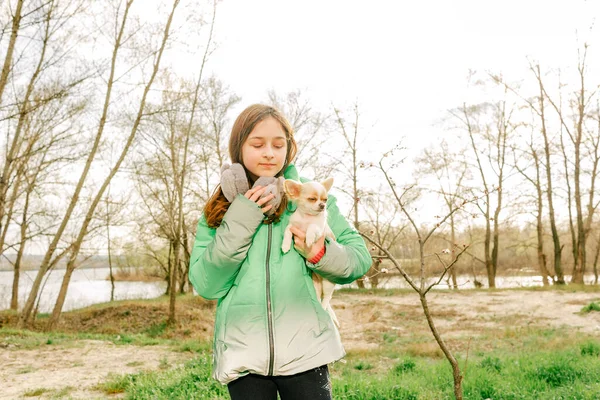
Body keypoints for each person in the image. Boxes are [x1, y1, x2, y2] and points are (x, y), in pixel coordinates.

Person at [189, 104, 371, 400]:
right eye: (257, 144)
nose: (269, 153)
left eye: (278, 144)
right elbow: (207, 284)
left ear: (289, 148)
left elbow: (359, 261)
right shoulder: (219, 209)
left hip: (307, 353)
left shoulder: (312, 198)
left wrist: (319, 254)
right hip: (243, 357)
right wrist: (243, 216)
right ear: (239, 148)